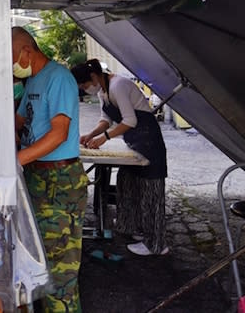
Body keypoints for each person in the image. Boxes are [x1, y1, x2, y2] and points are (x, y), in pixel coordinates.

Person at [12, 27, 88, 313]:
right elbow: (19, 122)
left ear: (26, 51)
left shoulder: (59, 78)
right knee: (36, 261)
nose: (12, 67)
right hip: (37, 176)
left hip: (61, 181)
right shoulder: (32, 81)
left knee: (60, 271)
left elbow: (59, 134)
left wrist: (16, 159)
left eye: (11, 58)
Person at [71, 59, 169, 256]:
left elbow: (130, 120)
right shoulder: (103, 91)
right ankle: (134, 227)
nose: (84, 88)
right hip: (134, 143)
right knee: (127, 182)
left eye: (84, 84)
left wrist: (104, 138)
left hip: (149, 143)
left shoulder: (119, 85)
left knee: (151, 193)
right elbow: (105, 120)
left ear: (93, 77)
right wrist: (91, 135)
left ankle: (156, 244)